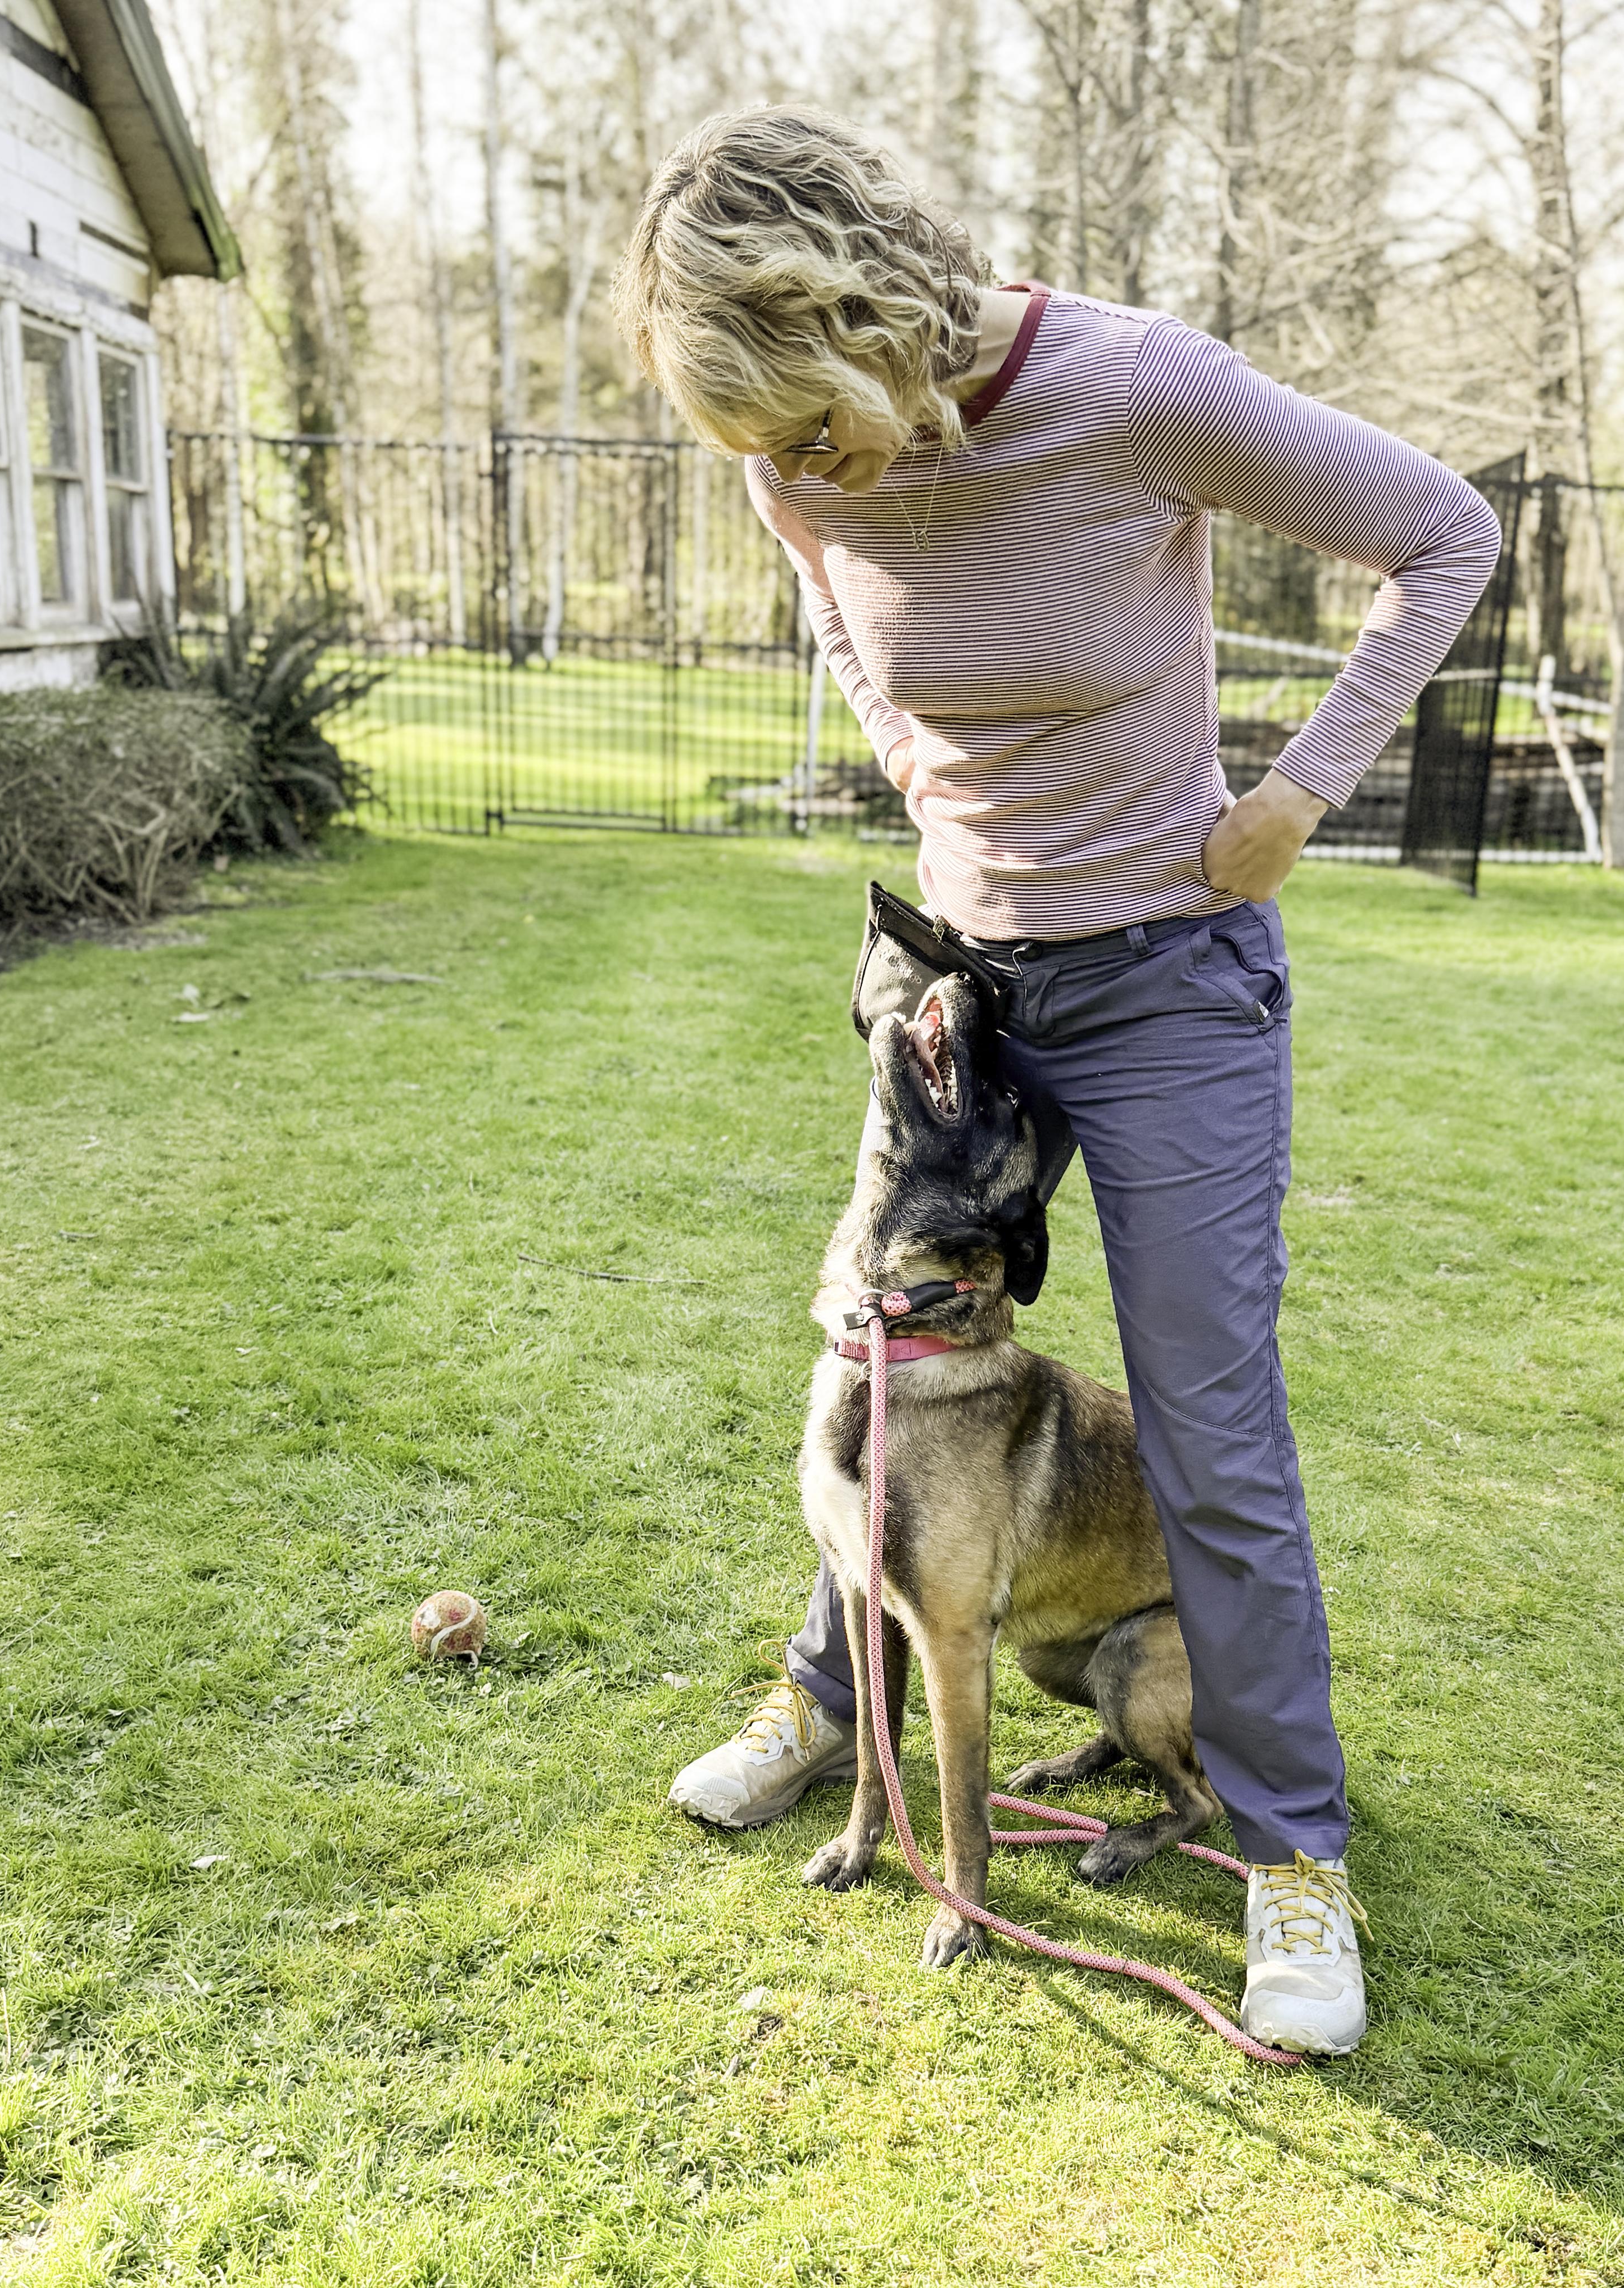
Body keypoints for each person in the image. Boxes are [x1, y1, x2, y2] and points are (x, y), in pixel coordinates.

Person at [612, 106, 1500, 2056]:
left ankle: (1287, 1861)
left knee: (1208, 1427)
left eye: (806, 426)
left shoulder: (1136, 388)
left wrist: (1295, 797)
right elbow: (862, 655)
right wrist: (944, 839)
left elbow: (1449, 532)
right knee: (876, 1365)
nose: (798, 478)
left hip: (1174, 978)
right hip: (964, 985)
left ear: (863, 306)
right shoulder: (803, 476)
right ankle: (828, 1706)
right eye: (760, 449)